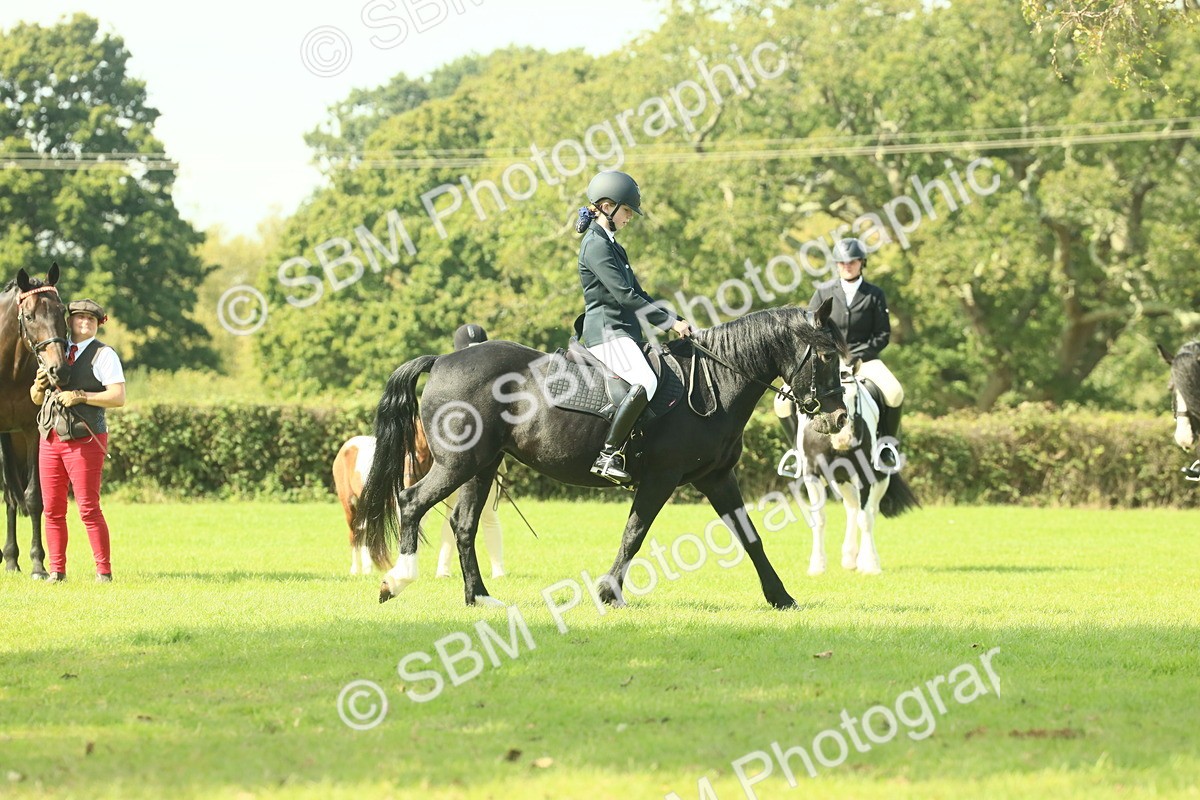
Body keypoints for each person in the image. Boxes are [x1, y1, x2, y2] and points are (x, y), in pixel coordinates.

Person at [575, 170, 695, 483]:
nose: (630, 217)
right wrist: (668, 324)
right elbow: (625, 297)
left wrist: (676, 318)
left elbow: (640, 294)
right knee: (646, 381)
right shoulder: (595, 246)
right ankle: (608, 454)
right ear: (606, 206)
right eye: (627, 210)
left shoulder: (612, 244)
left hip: (623, 332)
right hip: (606, 332)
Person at [775, 237, 904, 465]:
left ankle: (886, 446)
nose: (847, 266)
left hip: (864, 359)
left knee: (894, 392)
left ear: (862, 263)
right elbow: (809, 329)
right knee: (781, 402)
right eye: (842, 262)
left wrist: (859, 355)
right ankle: (797, 452)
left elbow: (883, 335)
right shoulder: (823, 292)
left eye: (852, 262)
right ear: (836, 264)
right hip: (826, 358)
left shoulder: (874, 294)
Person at [30, 299, 126, 583]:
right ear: (69, 321)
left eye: (92, 320)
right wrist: (37, 385)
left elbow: (118, 397)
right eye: (80, 317)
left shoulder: (104, 355)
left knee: (88, 508)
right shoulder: (51, 351)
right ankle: (57, 571)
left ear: (98, 325)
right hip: (49, 438)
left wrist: (82, 396)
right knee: (52, 509)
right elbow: (36, 399)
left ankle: (103, 572)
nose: (85, 323)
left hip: (86, 439)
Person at [436, 323, 505, 579]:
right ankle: (446, 568)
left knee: (479, 515)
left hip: (473, 459)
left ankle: (496, 569)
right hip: (462, 459)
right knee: (467, 515)